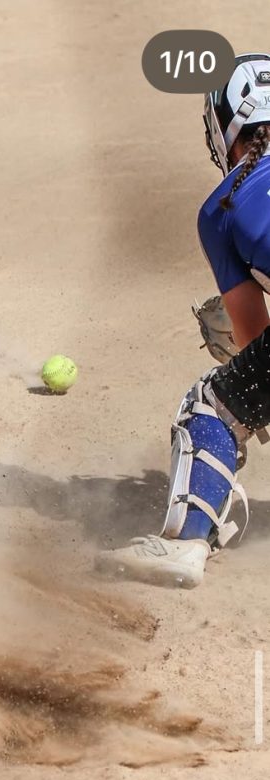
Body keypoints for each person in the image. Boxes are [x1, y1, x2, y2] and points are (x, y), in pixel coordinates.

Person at [98, 54, 270, 588]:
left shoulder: (224, 204)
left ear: (225, 129)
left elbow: (255, 340)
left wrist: (246, 357)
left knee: (213, 407)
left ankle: (184, 544)